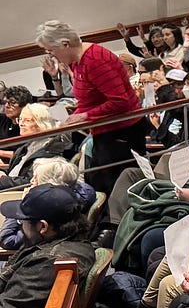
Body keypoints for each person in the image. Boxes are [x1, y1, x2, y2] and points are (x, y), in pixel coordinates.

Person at [34, 20, 146, 194]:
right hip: (104, 131)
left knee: (114, 187)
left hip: (122, 131)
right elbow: (88, 101)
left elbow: (120, 101)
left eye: (51, 51)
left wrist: (83, 117)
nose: (52, 56)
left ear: (65, 44)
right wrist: (71, 119)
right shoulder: (77, 61)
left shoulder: (96, 60)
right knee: (96, 182)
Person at [0, 184, 97, 308]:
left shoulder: (47, 263)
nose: (21, 226)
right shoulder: (70, 240)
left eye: (22, 221)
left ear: (43, 226)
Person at [0, 103, 71, 188]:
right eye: (20, 119)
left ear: (42, 122)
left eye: (27, 120)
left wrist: (4, 180)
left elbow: (33, 180)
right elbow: (15, 171)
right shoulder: (26, 146)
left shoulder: (51, 149)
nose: (21, 124)